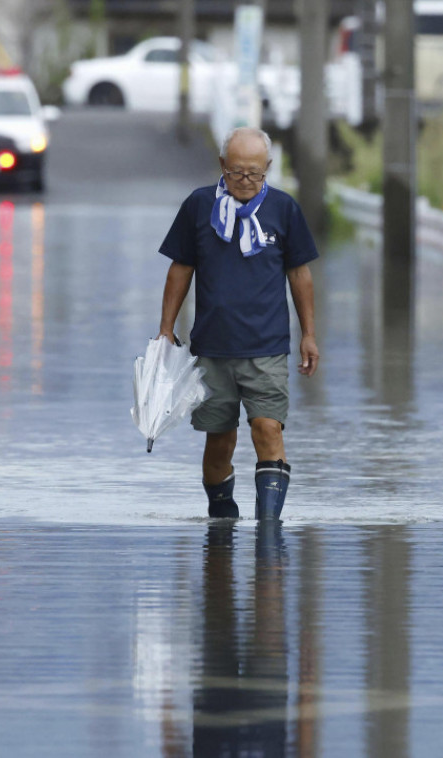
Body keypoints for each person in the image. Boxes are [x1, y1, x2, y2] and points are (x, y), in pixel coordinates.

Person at [157, 126, 320, 521]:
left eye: (255, 173)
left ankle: (269, 527)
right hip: (212, 349)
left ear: (268, 168)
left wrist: (309, 335)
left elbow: (300, 275)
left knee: (268, 430)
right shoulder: (199, 206)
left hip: (266, 348)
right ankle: (222, 515)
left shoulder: (284, 209)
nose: (245, 181)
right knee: (220, 442)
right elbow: (181, 270)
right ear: (221, 167)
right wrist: (165, 328)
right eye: (236, 173)